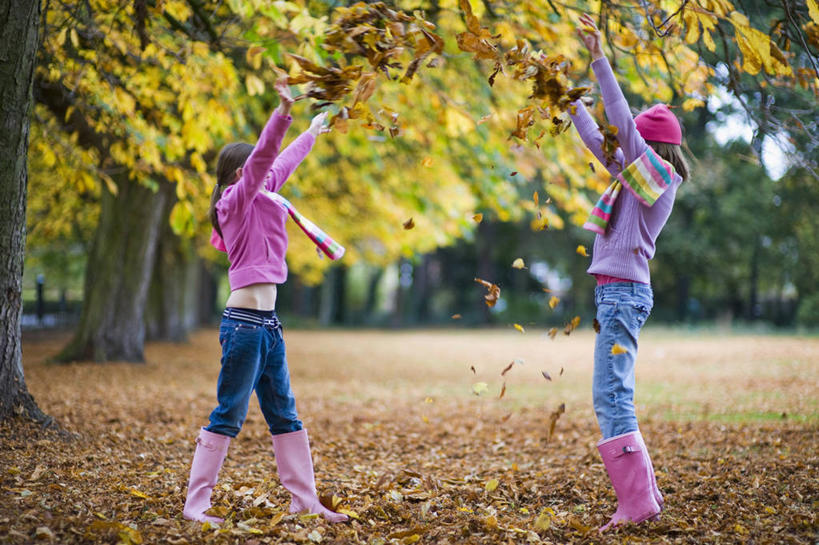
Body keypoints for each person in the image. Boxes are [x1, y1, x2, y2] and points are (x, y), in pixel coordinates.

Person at [183, 76, 347, 524]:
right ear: (240, 174)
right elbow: (265, 159)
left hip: (268, 326)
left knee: (284, 414)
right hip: (243, 324)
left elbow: (284, 161)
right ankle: (196, 505)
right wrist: (282, 114)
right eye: (254, 168)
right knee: (228, 414)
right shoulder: (232, 204)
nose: (264, 172)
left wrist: (313, 129)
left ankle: (304, 500)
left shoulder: (264, 196)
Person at [568, 13, 690, 531]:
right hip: (617, 295)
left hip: (622, 297)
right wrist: (567, 100)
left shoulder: (657, 178)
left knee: (612, 396)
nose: (621, 147)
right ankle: (646, 496)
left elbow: (615, 119)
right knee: (614, 394)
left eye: (632, 140)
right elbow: (601, 141)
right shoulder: (637, 177)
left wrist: (598, 59)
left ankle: (636, 504)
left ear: (649, 145)